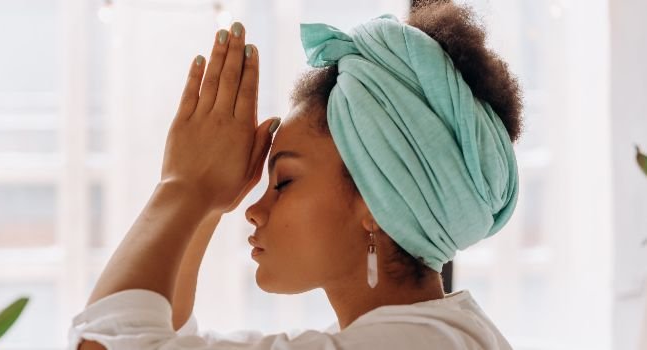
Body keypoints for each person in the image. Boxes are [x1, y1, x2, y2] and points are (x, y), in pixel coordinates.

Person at [69, 1, 522, 349]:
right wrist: (207, 205)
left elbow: (104, 343)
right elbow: (164, 333)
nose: (253, 210)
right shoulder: (438, 332)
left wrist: (184, 187)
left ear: (375, 203)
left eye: (283, 181)